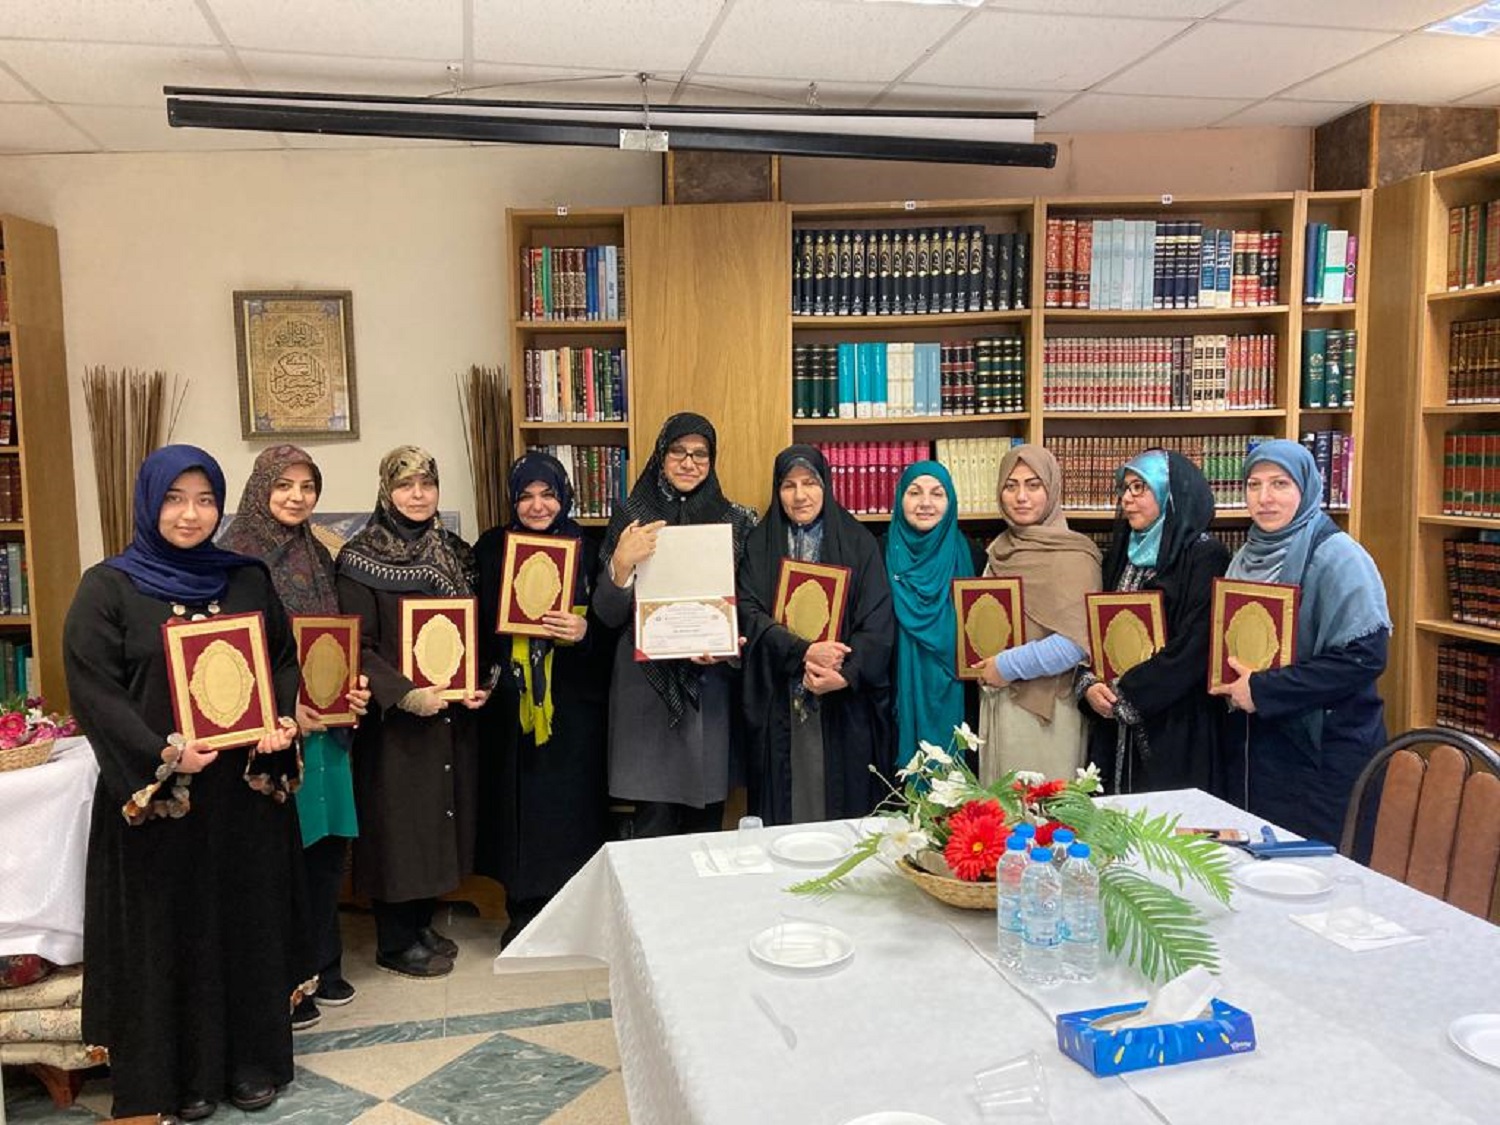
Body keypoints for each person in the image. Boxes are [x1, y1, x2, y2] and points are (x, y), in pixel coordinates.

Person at [63, 444, 308, 1121]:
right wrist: (160, 751)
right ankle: (181, 1075)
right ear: (149, 502)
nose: (191, 513)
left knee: (242, 922)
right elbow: (93, 692)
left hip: (239, 799)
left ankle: (250, 1061)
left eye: (204, 499)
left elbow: (282, 661)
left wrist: (279, 722)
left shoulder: (246, 578)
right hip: (160, 803)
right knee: (170, 932)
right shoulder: (107, 587)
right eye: (174, 498)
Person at [220, 444, 372, 1030]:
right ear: (261, 487)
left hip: (327, 728)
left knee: (325, 847)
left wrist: (350, 690)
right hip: (271, 729)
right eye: (284, 485)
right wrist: (287, 708)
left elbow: (336, 638)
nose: (296, 497)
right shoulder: (231, 560)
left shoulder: (322, 551)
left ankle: (323, 962)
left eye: (307, 486)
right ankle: (286, 982)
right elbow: (231, 654)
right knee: (277, 853)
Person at [336, 446, 489, 979]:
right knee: (397, 824)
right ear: (386, 490)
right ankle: (394, 940)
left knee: (438, 817)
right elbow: (357, 643)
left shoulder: (455, 552)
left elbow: (474, 629)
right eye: (406, 486)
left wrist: (475, 684)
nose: (418, 495)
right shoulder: (358, 558)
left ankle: (420, 923)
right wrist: (403, 693)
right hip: (396, 721)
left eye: (427, 484)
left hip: (450, 715)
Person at [1212, 439, 1391, 843]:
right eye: (1253, 485)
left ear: (1307, 488)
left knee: (1319, 875)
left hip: (1325, 753)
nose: (1264, 498)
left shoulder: (1339, 557)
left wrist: (1263, 688)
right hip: (1261, 746)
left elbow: (1365, 657)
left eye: (1280, 484)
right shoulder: (1244, 558)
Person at [593, 412, 758, 837]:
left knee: (706, 821)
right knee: (652, 823)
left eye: (700, 454)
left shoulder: (737, 520)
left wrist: (726, 644)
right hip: (644, 688)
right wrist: (621, 563)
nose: (689, 462)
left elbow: (751, 601)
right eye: (678, 452)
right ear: (661, 456)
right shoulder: (631, 516)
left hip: (710, 683)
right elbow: (607, 615)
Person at [474, 451, 609, 945]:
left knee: (571, 808)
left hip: (572, 704)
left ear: (564, 495)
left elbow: (613, 629)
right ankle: (524, 913)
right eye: (525, 496)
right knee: (519, 811)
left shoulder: (589, 549)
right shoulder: (491, 548)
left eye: (547, 494)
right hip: (511, 704)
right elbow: (474, 620)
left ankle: (575, 914)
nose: (536, 506)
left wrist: (584, 630)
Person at [738, 444, 895, 824]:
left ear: (826, 485)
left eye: (810, 483)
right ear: (778, 492)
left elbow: (877, 620)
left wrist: (845, 674)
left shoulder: (858, 543)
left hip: (842, 699)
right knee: (782, 813)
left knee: (844, 811)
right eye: (788, 485)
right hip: (780, 696)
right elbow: (748, 611)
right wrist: (802, 652)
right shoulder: (759, 545)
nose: (800, 494)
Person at [1077, 449, 1228, 794]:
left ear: (1170, 493)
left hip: (1176, 724)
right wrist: (1089, 683)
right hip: (1114, 722)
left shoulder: (1204, 555)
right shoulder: (1123, 551)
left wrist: (1127, 691)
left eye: (1139, 488)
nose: (1127, 499)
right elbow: (1098, 629)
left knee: (1168, 835)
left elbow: (1195, 645)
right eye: (1125, 488)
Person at [974, 444, 1101, 783]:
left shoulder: (1075, 554)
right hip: (1000, 700)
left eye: (1033, 485)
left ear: (1052, 488)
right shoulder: (1000, 550)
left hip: (1050, 712)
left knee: (1045, 814)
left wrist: (1007, 666)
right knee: (1001, 816)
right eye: (1010, 485)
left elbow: (1077, 644)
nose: (1021, 497)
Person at [885, 460, 977, 768]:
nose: (925, 503)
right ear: (900, 499)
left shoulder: (974, 557)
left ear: (950, 503)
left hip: (960, 698)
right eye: (914, 493)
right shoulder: (877, 552)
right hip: (894, 697)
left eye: (937, 494)